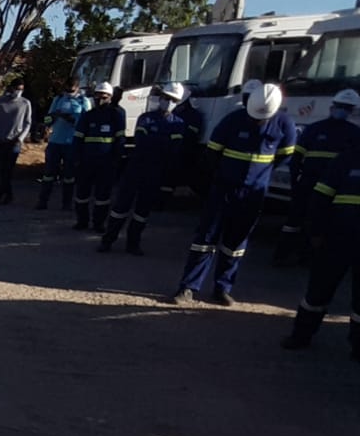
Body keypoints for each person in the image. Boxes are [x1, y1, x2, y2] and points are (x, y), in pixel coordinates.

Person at [172, 81, 297, 305]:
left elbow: (285, 155)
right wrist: (224, 177)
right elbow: (212, 155)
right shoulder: (232, 120)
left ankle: (222, 288)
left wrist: (258, 176)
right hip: (224, 189)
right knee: (205, 239)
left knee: (236, 243)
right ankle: (188, 287)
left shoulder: (284, 124)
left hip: (253, 194)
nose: (257, 120)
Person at [280, 142, 360, 361]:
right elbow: (320, 197)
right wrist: (315, 231)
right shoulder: (346, 160)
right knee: (318, 290)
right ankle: (301, 335)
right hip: (337, 238)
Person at [273, 88, 360, 266]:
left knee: (320, 221)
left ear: (352, 111)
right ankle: (282, 255)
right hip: (309, 181)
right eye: (340, 106)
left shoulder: (355, 133)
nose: (342, 110)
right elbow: (297, 157)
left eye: (346, 107)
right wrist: (295, 180)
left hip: (333, 187)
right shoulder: (314, 129)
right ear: (332, 106)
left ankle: (307, 256)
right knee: (295, 219)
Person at [100, 81, 187, 255]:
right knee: (120, 208)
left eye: (173, 100)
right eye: (167, 98)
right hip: (135, 169)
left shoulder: (178, 123)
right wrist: (162, 144)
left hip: (155, 172)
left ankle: (133, 244)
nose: (169, 102)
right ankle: (108, 240)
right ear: (161, 98)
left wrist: (159, 146)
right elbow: (142, 141)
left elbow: (175, 149)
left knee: (142, 211)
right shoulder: (146, 118)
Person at [71, 81, 125, 232]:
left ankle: (98, 223)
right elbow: (78, 138)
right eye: (97, 95)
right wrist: (76, 158)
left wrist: (117, 159)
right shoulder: (88, 116)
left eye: (104, 96)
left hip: (106, 162)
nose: (100, 98)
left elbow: (120, 140)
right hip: (86, 161)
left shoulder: (116, 115)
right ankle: (82, 221)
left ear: (110, 97)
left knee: (103, 196)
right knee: (82, 194)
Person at [37, 78, 89, 210]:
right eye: (67, 90)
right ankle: (43, 201)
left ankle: (66, 203)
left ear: (77, 88)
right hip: (55, 141)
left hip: (71, 142)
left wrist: (69, 118)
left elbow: (85, 124)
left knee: (69, 175)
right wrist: (53, 117)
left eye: (71, 90)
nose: (69, 93)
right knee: (48, 173)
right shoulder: (58, 99)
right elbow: (47, 119)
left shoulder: (83, 101)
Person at [0, 79, 31, 204]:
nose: (18, 92)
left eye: (21, 89)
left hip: (15, 142)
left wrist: (20, 138)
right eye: (17, 88)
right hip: (0, 140)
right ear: (11, 88)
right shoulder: (0, 101)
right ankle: (3, 192)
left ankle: (3, 193)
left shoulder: (25, 103)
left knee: (8, 169)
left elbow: (27, 123)